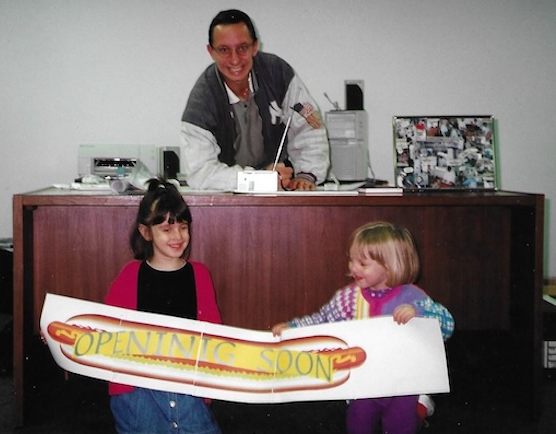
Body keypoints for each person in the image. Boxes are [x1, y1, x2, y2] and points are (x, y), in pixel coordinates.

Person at [272, 221, 455, 434]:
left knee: (401, 426)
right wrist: (293, 328)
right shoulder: (349, 297)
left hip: (404, 384)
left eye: (363, 264)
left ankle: (420, 407)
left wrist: (420, 314)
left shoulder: (413, 297)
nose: (353, 268)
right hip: (364, 381)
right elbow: (322, 320)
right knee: (358, 424)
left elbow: (447, 325)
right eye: (351, 260)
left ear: (391, 266)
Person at [104, 178, 222, 434]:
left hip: (187, 387)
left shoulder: (199, 274)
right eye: (167, 230)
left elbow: (214, 333)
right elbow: (105, 327)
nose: (178, 236)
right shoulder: (130, 275)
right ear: (146, 232)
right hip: (138, 393)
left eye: (183, 227)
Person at [181, 9, 330, 191]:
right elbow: (200, 173)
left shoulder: (278, 74)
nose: (235, 60)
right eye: (224, 50)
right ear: (211, 52)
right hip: (228, 198)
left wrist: (306, 175)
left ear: (255, 46)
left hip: (283, 190)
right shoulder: (202, 99)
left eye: (242, 48)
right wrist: (259, 180)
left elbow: (309, 127)